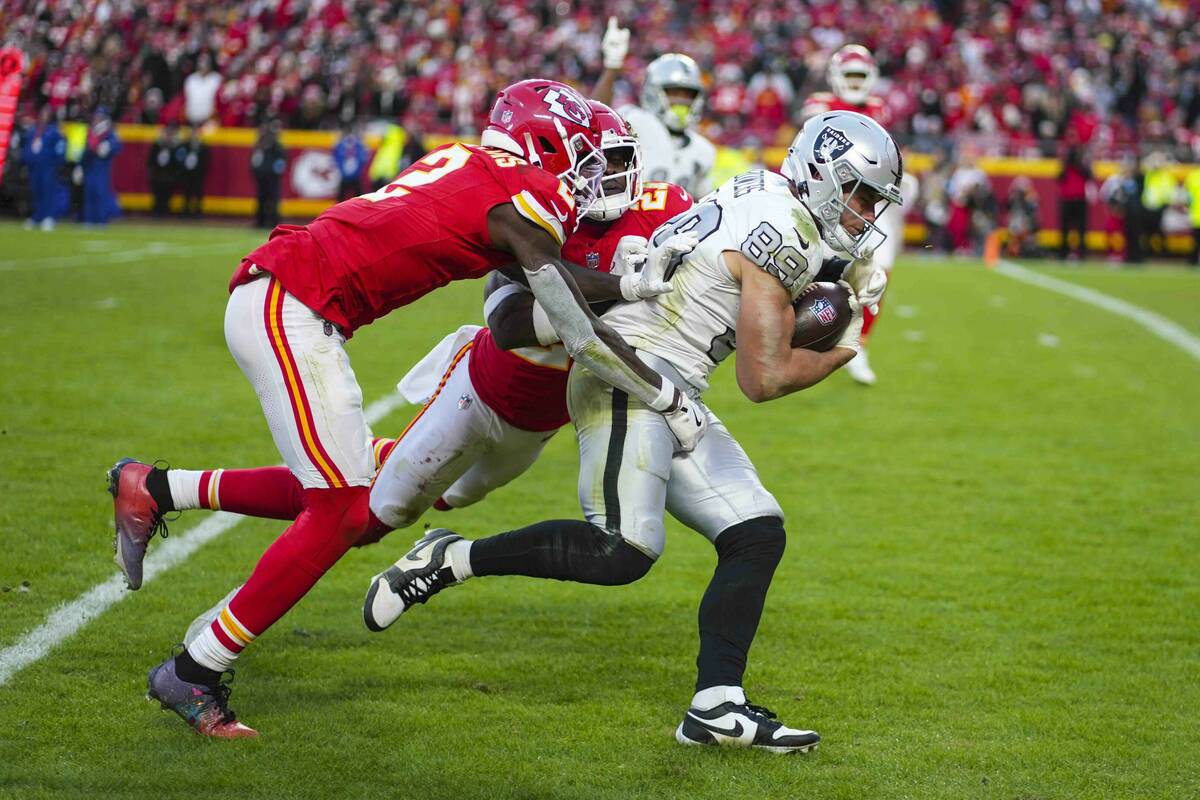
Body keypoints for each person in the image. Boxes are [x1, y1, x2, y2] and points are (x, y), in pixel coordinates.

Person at [108, 81, 704, 738]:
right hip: (296, 306)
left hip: (294, 298)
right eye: (579, 157)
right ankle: (195, 669)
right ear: (540, 145)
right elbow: (555, 292)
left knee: (353, 493)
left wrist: (624, 278)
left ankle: (158, 488)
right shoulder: (525, 190)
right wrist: (638, 318)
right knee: (341, 514)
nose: (586, 176)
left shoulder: (477, 164)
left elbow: (545, 263)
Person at [362, 111, 902, 754]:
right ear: (822, 172)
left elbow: (754, 281)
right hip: (631, 372)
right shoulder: (781, 233)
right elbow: (766, 377)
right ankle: (450, 558)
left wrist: (837, 278)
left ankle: (715, 705)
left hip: (673, 378)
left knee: (756, 532)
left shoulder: (768, 193)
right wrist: (848, 335)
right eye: (862, 192)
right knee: (621, 551)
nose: (867, 211)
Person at [800, 44, 918, 386]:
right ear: (836, 76)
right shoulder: (820, 106)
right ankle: (805, 330)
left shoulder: (880, 108)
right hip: (829, 198)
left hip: (867, 199)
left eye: (859, 75)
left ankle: (859, 344)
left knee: (880, 266)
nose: (854, 82)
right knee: (812, 263)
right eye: (849, 74)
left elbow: (893, 153)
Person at [593, 18, 715, 197]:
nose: (682, 101)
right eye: (674, 92)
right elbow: (594, 117)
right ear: (653, 92)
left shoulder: (703, 150)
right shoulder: (636, 121)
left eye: (688, 95)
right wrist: (612, 66)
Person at [20, 105, 66, 230]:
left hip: (48, 166)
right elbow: (26, 147)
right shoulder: (33, 131)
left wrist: (57, 162)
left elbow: (60, 148)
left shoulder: (54, 131)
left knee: (48, 191)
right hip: (34, 167)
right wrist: (25, 161)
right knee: (36, 191)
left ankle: (48, 216)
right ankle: (37, 216)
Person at [80, 109, 121, 226]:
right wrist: (80, 166)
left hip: (102, 167)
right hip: (90, 166)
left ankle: (101, 220)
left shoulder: (109, 132)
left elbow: (117, 147)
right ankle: (89, 219)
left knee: (100, 193)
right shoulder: (91, 132)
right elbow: (85, 150)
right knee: (89, 194)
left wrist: (109, 146)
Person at [1057, 145, 1093, 260]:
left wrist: (1080, 165)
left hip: (1079, 200)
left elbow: (1090, 176)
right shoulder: (1066, 167)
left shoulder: (1081, 168)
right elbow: (1059, 178)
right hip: (1067, 200)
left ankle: (1081, 253)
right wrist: (1066, 164)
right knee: (1065, 229)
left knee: (1081, 228)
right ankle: (1063, 252)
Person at [250, 119, 286, 229]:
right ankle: (260, 221)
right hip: (261, 177)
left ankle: (274, 221)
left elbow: (281, 160)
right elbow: (254, 161)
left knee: (273, 199)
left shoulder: (275, 145)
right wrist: (256, 172)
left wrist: (275, 172)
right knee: (261, 199)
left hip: (272, 178)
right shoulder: (259, 145)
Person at [146, 122, 179, 217]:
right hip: (157, 174)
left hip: (169, 175)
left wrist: (175, 174)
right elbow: (151, 160)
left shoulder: (175, 146)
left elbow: (177, 163)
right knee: (157, 195)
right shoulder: (157, 145)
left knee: (167, 195)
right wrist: (151, 171)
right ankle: (156, 211)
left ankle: (165, 212)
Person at [177, 127, 209, 217]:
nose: (195, 135)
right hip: (186, 173)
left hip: (198, 173)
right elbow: (180, 157)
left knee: (197, 192)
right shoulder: (185, 145)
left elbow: (206, 160)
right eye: (193, 133)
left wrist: (201, 170)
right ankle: (185, 210)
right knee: (186, 191)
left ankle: (198, 211)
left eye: (196, 133)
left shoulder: (203, 146)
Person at [333, 123, 369, 201]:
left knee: (343, 198)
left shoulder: (343, 143)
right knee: (358, 198)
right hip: (351, 176)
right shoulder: (357, 143)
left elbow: (336, 156)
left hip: (350, 176)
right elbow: (364, 157)